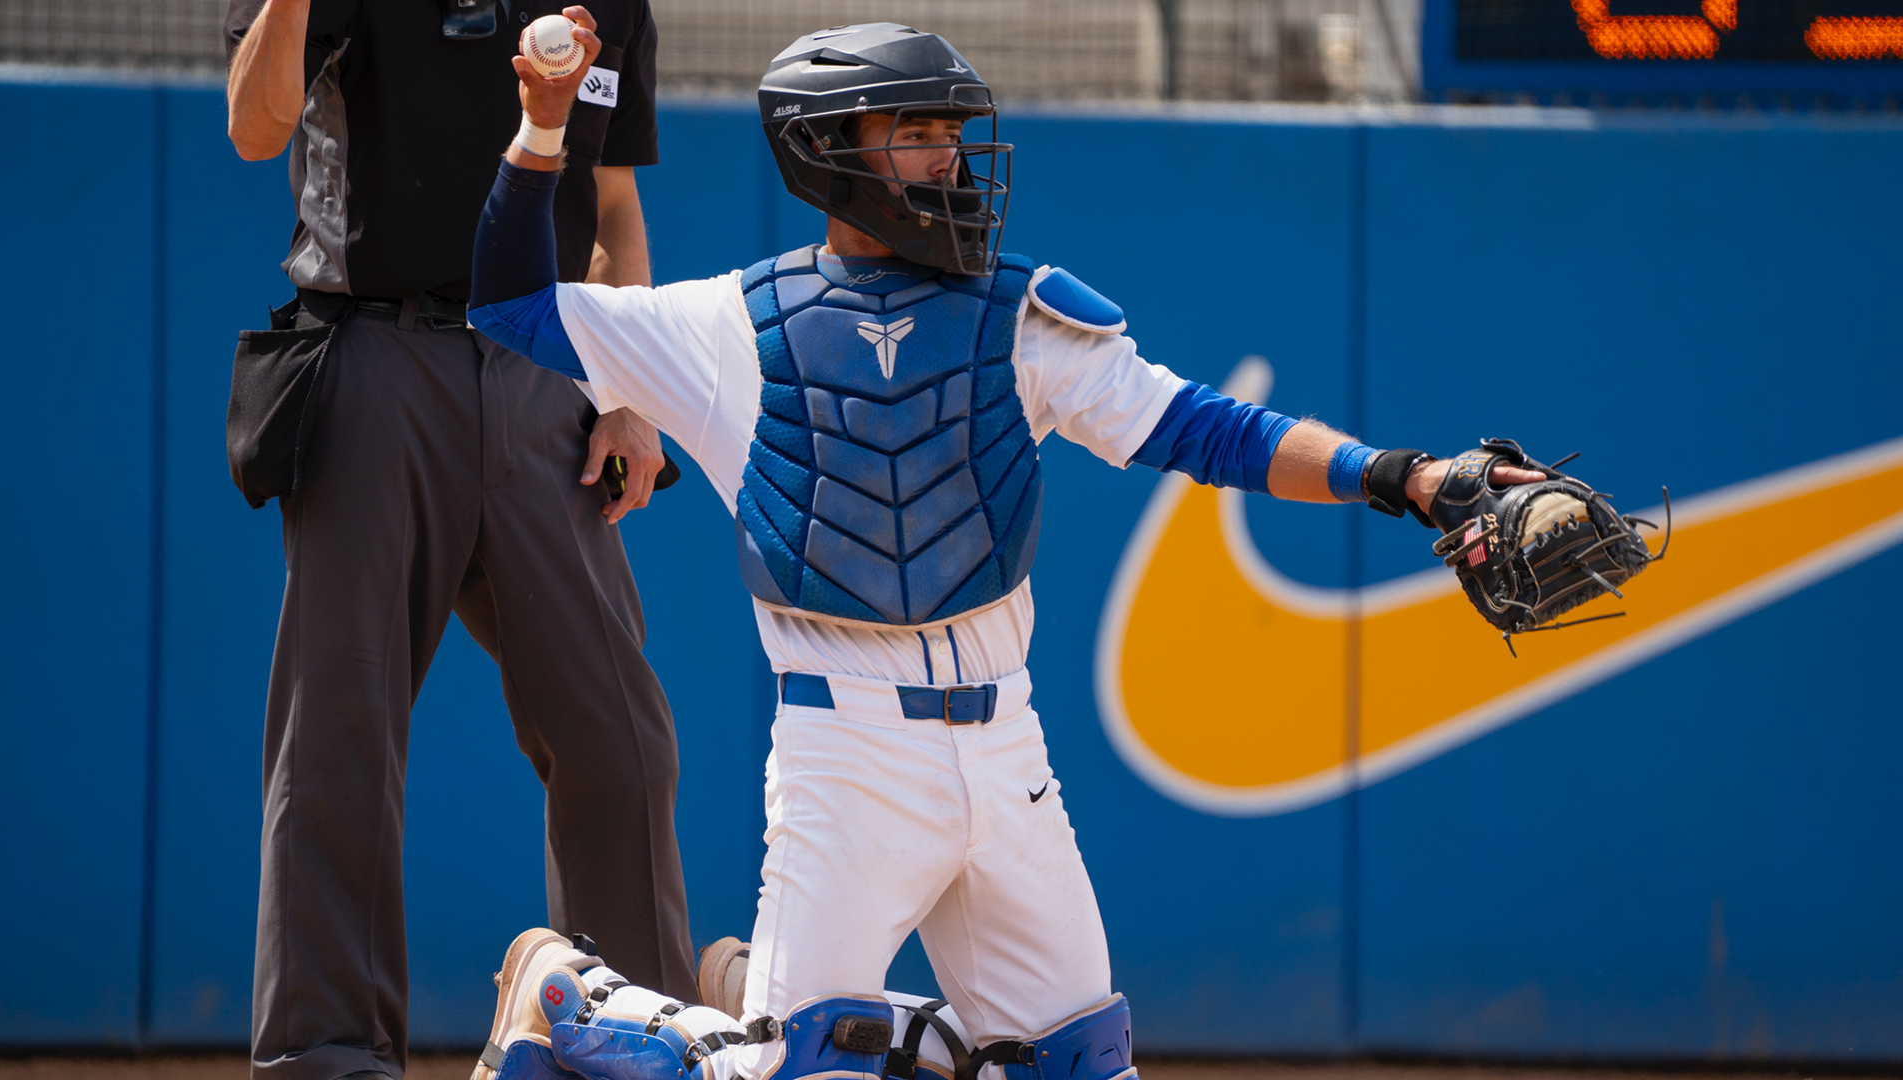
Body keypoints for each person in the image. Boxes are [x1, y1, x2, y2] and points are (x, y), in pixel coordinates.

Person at [458, 21, 1548, 1080]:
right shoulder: (729, 327)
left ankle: (850, 1030)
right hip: (846, 756)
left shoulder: (1016, 315)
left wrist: (1402, 475)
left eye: (953, 132)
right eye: (919, 132)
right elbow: (509, 305)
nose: (952, 158)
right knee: (793, 1075)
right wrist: (543, 128)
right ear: (831, 151)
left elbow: (1211, 430)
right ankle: (581, 1005)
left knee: (1077, 1068)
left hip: (1004, 751)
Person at [222, 2, 695, 1076]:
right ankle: (328, 1052)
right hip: (375, 357)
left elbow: (613, 208)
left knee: (621, 742)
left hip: (545, 373)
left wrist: (628, 389)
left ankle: (630, 1045)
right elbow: (257, 129)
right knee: (340, 736)